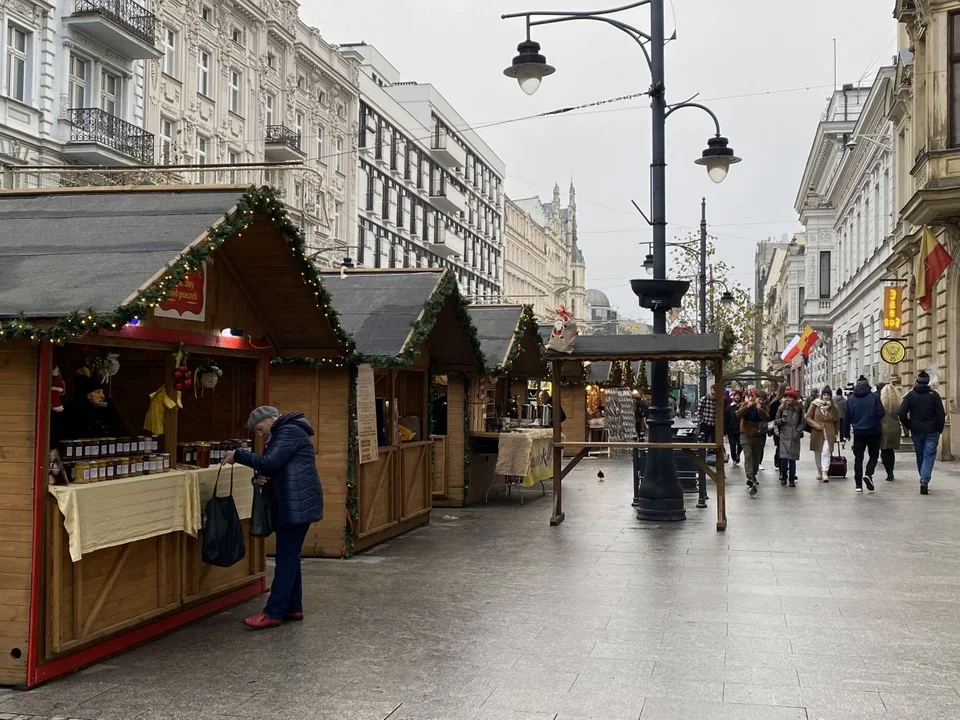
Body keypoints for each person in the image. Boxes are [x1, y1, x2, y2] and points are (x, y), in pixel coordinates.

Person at [224, 406, 323, 629]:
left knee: (285, 558)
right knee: (290, 556)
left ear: (270, 420)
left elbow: (270, 461)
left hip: (295, 503)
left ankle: (273, 612)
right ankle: (293, 607)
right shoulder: (287, 431)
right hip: (295, 502)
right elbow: (278, 466)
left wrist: (238, 455)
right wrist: (260, 478)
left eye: (260, 428)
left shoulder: (288, 431)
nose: (260, 434)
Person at [898, 370, 946, 495]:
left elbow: (901, 412)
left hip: (917, 430)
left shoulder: (911, 395)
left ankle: (923, 479)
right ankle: (924, 480)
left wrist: (909, 425)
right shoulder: (934, 395)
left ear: (917, 381)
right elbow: (941, 414)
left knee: (920, 455)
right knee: (929, 455)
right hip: (932, 430)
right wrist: (939, 428)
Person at [845, 376, 885, 493]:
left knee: (858, 458)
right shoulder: (874, 397)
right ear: (868, 385)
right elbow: (881, 413)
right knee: (873, 455)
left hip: (858, 432)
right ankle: (868, 473)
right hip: (873, 431)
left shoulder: (851, 399)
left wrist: (846, 433)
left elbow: (847, 418)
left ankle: (858, 485)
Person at [64, 372, 128, 439]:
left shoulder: (110, 413)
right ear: (86, 395)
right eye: (97, 392)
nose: (103, 396)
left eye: (102, 392)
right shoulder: (72, 413)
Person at [737, 388, 770, 496]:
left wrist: (761, 410)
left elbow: (767, 418)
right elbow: (738, 414)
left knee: (756, 458)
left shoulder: (764, 407)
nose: (759, 401)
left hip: (758, 436)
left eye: (761, 399)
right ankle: (750, 477)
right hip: (745, 434)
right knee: (748, 455)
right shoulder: (746, 404)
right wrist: (747, 407)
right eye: (758, 398)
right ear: (754, 397)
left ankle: (753, 474)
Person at [806, 386, 839, 483]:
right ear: (821, 395)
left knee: (826, 453)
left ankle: (825, 472)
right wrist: (815, 425)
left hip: (829, 433)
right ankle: (819, 470)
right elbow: (808, 417)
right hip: (817, 432)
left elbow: (837, 421)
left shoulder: (834, 407)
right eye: (824, 395)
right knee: (817, 453)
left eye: (828, 395)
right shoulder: (814, 405)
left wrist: (836, 434)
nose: (826, 397)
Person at [774, 389, 804, 487]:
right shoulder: (781, 408)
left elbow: (803, 422)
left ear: (794, 399)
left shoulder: (799, 409)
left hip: (794, 435)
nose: (788, 399)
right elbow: (776, 421)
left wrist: (798, 430)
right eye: (787, 397)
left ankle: (792, 478)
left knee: (792, 459)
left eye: (790, 397)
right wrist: (781, 421)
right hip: (784, 434)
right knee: (783, 458)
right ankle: (783, 477)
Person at [879, 382, 901, 482]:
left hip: (884, 429)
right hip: (895, 429)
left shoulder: (882, 403)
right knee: (891, 451)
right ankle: (891, 470)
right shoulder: (897, 403)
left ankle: (889, 473)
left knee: (884, 452)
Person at [725, 389, 743, 467]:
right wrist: (725, 429)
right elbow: (726, 418)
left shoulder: (742, 406)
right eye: (736, 395)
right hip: (731, 429)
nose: (737, 397)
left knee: (740, 444)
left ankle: (738, 454)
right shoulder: (729, 407)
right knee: (732, 445)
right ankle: (734, 458)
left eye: (738, 396)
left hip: (740, 429)